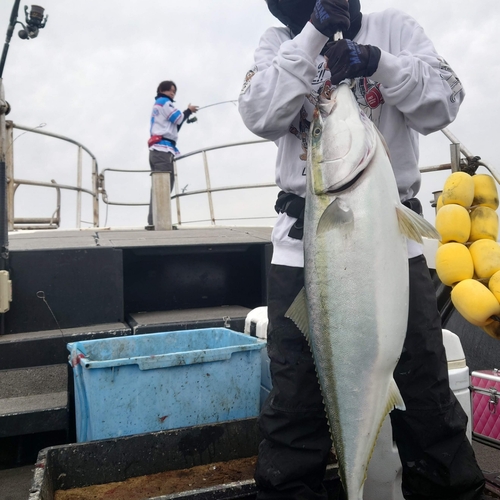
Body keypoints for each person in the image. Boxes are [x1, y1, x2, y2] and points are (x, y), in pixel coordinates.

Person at [238, 1, 486, 499]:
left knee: (428, 402)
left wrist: (377, 61)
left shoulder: (392, 29)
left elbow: (444, 101)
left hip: (392, 244)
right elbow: (259, 113)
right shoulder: (278, 43)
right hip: (303, 251)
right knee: (293, 414)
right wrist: (310, 36)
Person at [147, 80, 198, 229]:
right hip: (163, 150)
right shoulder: (165, 103)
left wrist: (186, 113)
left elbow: (174, 124)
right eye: (170, 90)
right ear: (162, 90)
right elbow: (178, 118)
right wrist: (188, 110)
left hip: (158, 149)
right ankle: (160, 223)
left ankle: (155, 221)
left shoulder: (158, 104)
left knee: (159, 185)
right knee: (164, 184)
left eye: (174, 91)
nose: (172, 93)